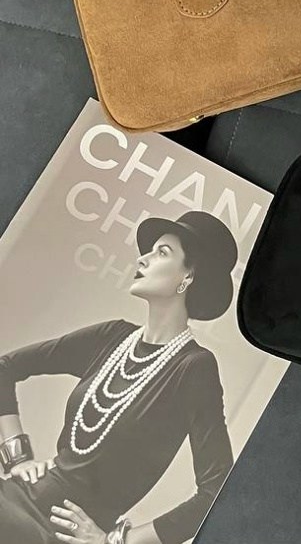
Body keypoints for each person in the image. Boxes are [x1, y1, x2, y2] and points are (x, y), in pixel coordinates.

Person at [0, 212, 237, 544]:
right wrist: (17, 459)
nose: (142, 259)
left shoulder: (194, 367)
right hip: (16, 495)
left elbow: (218, 491)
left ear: (188, 276)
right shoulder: (113, 337)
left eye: (162, 252)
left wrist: (116, 541)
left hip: (55, 535)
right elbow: (5, 367)